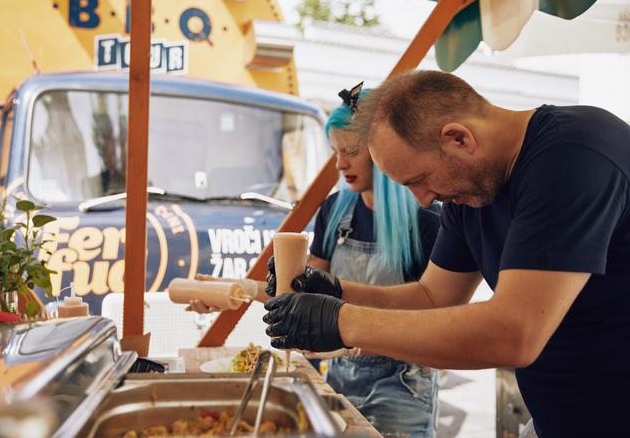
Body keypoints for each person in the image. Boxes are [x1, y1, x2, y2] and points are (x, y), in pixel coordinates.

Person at [262, 70, 630, 438]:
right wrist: (337, 292)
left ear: (458, 137)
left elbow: (514, 333)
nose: (423, 199)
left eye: (419, 180)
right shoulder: (469, 189)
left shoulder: (573, 157)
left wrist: (341, 322)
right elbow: (432, 297)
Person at [300, 82, 440, 437]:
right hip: (340, 373)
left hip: (402, 382)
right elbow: (313, 291)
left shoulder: (427, 221)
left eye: (350, 151)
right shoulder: (334, 211)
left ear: (382, 150)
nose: (340, 164)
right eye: (334, 152)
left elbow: (438, 318)